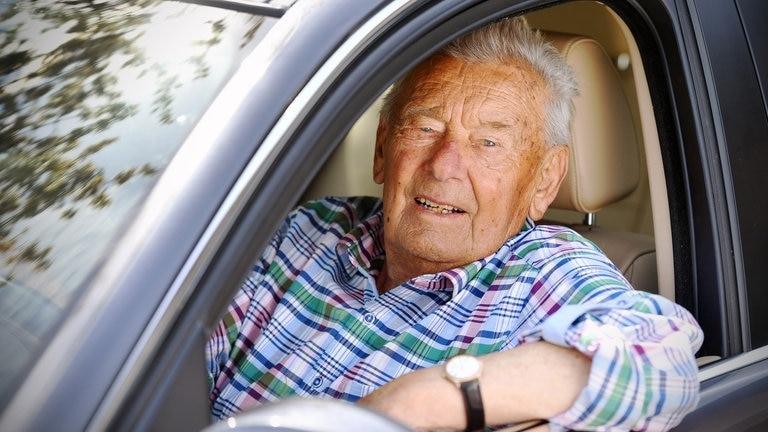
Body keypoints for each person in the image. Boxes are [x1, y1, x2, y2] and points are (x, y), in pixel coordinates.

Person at [206, 16, 703, 431]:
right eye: (425, 128)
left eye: (488, 143)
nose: (444, 165)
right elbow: (169, 348)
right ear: (383, 149)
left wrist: (421, 401)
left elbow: (662, 365)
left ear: (545, 181)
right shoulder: (310, 228)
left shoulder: (545, 271)